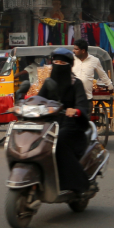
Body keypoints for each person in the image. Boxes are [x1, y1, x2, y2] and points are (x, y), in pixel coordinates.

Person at [35, 48, 91, 194]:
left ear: (69, 65)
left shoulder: (75, 84)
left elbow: (82, 105)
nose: (58, 65)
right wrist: (23, 104)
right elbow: (39, 100)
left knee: (58, 142)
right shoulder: (48, 83)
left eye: (62, 62)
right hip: (50, 123)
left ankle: (77, 183)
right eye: (56, 62)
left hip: (70, 124)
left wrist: (75, 110)